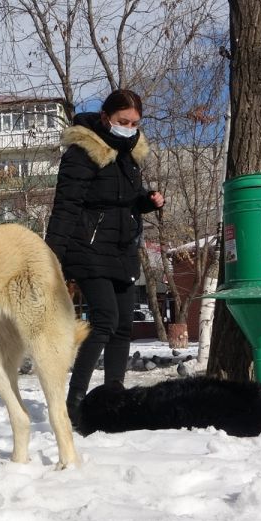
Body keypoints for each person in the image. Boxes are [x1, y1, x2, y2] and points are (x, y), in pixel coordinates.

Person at [44, 90, 165, 424]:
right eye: (123, 121)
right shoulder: (83, 153)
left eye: (135, 123)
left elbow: (126, 200)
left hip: (122, 249)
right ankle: (73, 403)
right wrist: (51, 256)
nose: (129, 128)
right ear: (105, 117)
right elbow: (66, 206)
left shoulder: (129, 155)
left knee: (123, 326)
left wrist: (147, 201)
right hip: (87, 247)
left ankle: (114, 398)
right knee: (105, 321)